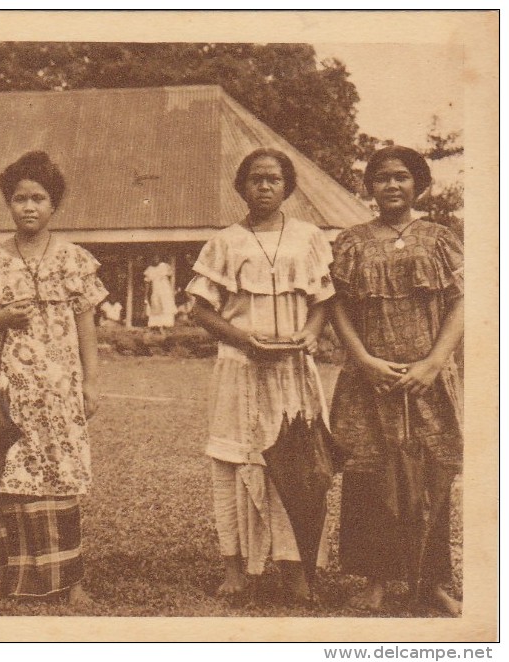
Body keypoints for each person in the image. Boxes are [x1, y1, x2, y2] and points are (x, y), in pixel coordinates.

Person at [185, 148, 334, 602]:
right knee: (233, 462)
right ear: (242, 186)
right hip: (241, 368)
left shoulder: (308, 237)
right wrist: (243, 340)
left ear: (287, 186)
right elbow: (200, 310)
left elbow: (323, 298)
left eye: (273, 179)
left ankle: (295, 568)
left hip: (292, 370)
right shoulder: (225, 242)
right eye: (255, 179)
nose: (264, 187)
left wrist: (309, 333)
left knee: (297, 462)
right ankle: (235, 567)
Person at [0, 151, 107, 604]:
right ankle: (2, 576)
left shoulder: (75, 261)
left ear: (53, 204)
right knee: (1, 475)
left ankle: (70, 580)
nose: (29, 207)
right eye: (20, 198)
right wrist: (2, 315)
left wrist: (92, 381)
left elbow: (87, 325)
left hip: (59, 387)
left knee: (59, 474)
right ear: (9, 203)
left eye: (39, 198)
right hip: (7, 385)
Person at [330, 146, 463, 615]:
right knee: (370, 476)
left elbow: (461, 303)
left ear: (418, 185)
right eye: (382, 178)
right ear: (370, 187)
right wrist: (363, 359)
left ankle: (429, 582)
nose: (391, 186)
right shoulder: (352, 241)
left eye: (402, 178)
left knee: (431, 474)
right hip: (371, 379)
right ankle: (375, 579)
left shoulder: (440, 238)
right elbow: (337, 306)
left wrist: (432, 364)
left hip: (427, 377)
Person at [144, 255, 177, 328]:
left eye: (157, 257)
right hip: (156, 289)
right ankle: (156, 324)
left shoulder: (164, 266)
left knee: (166, 304)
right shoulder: (150, 269)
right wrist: (146, 294)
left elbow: (171, 275)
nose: (155, 259)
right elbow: (147, 283)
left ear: (159, 258)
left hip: (165, 289)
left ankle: (167, 323)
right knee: (156, 305)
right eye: (153, 258)